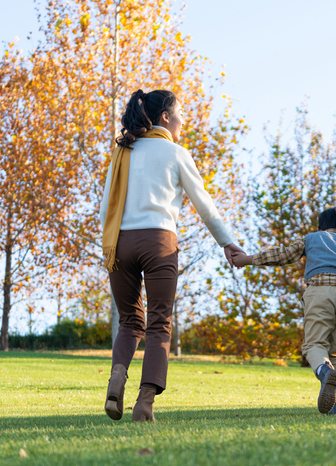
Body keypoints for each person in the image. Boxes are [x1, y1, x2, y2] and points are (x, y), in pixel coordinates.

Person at [100, 89, 243, 422]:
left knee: (129, 322)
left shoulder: (122, 153)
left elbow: (106, 206)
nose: (183, 120)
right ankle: (145, 403)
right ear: (165, 117)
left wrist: (111, 244)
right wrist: (227, 242)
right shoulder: (176, 153)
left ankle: (116, 379)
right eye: (180, 113)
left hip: (119, 243)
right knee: (159, 321)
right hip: (159, 241)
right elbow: (205, 206)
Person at [231, 207, 336, 415]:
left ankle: (324, 373)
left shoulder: (311, 238)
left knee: (315, 344)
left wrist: (248, 260)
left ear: (319, 228)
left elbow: (283, 255)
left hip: (320, 292)